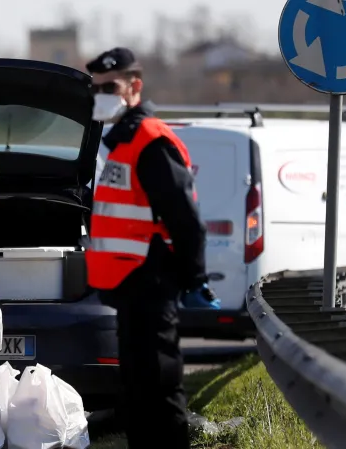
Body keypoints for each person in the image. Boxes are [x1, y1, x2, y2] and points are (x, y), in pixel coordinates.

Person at [83, 47, 222, 449]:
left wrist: (194, 279)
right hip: (129, 284)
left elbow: (185, 218)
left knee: (159, 385)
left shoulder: (150, 141)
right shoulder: (120, 143)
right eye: (95, 89)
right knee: (137, 388)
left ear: (135, 87)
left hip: (151, 280)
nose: (101, 96)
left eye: (110, 87)